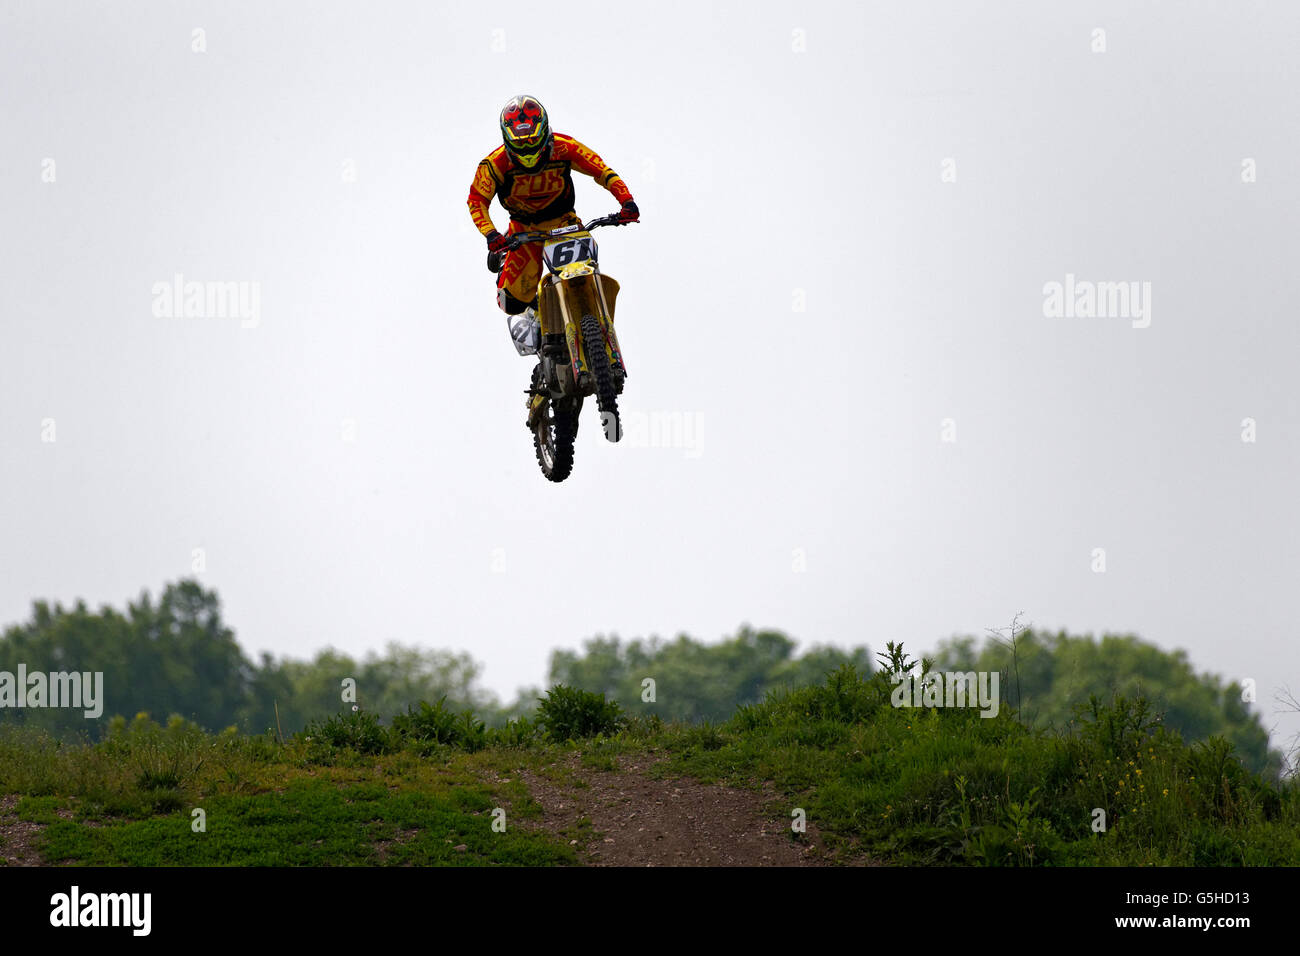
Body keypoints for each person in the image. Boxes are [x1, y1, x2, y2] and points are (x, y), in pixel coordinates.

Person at [467, 94, 639, 368]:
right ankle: (535, 314)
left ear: (544, 132)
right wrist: (492, 235)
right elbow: (477, 200)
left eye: (534, 144)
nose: (529, 154)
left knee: (587, 268)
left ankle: (595, 324)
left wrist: (626, 202)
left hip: (564, 223)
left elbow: (602, 170)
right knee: (511, 301)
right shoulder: (494, 164)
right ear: (507, 140)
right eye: (520, 148)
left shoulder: (564, 147)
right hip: (523, 231)